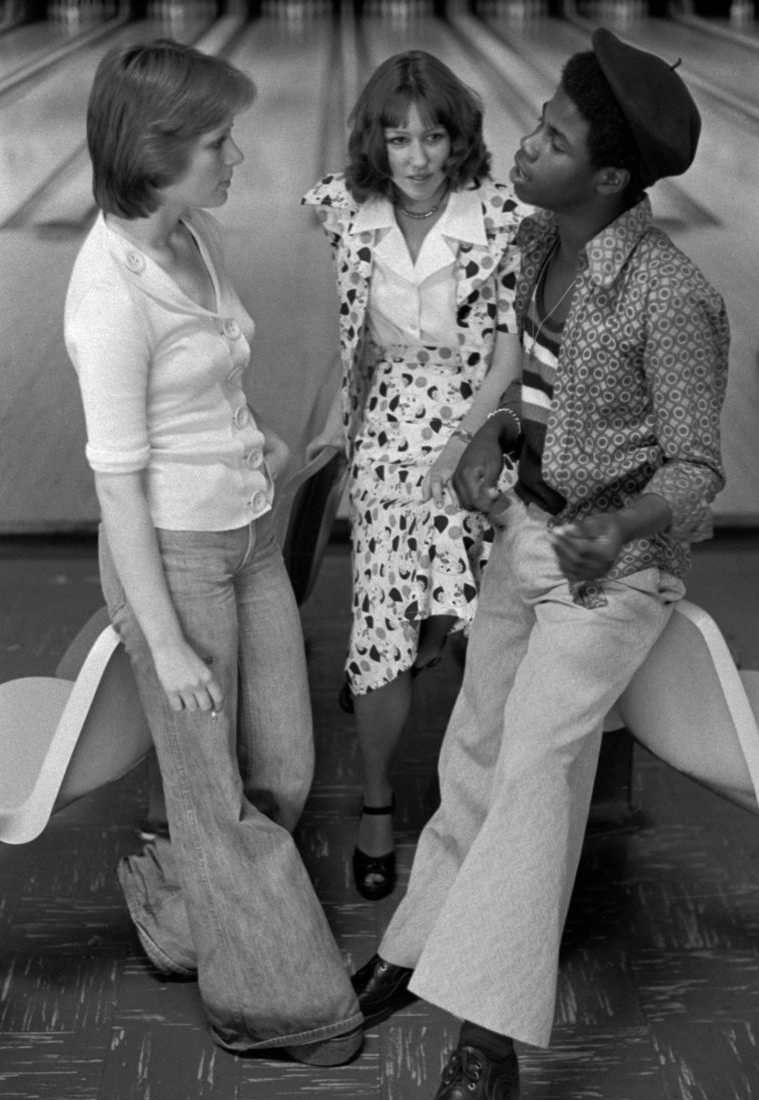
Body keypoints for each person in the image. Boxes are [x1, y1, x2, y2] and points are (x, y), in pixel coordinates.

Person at [349, 28, 728, 1100]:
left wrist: (622, 524)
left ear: (610, 179)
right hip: (529, 529)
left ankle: (489, 1042)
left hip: (614, 572)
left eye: (554, 140)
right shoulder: (534, 243)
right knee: (474, 738)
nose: (526, 146)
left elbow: (699, 470)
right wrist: (490, 433)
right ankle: (422, 945)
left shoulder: (672, 294)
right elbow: (530, 370)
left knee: (532, 769)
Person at [64, 39, 362, 1065]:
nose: (240, 156)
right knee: (214, 793)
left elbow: (210, 378)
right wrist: (166, 640)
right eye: (219, 141)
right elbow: (116, 484)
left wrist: (263, 441)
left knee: (280, 763)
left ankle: (186, 920)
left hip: (245, 536)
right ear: (157, 152)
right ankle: (281, 1009)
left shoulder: (190, 237)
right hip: (174, 559)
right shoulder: (110, 295)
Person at [302, 50, 529, 901]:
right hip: (389, 419)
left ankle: (483, 793)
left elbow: (509, 350)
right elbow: (353, 338)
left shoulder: (502, 216)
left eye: (433, 135)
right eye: (398, 138)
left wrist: (463, 441)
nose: (418, 155)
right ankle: (376, 797)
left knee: (469, 604)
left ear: (458, 137)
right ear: (376, 141)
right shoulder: (347, 213)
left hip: (478, 413)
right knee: (384, 618)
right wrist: (333, 422)